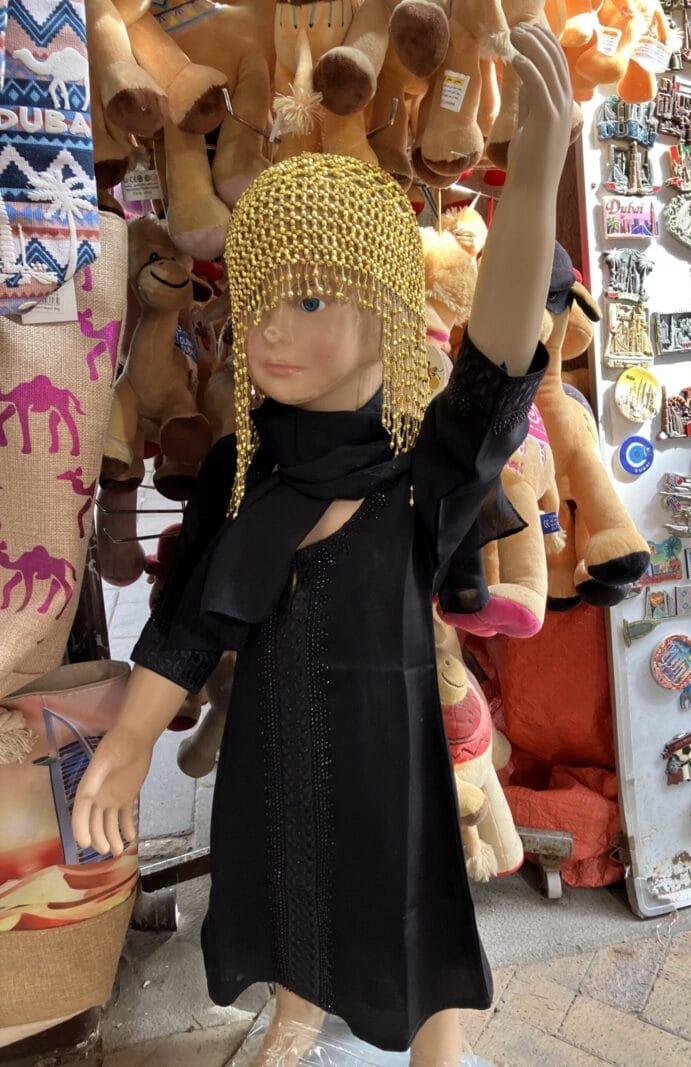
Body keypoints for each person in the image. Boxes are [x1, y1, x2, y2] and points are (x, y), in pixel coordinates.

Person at [73, 22, 573, 1067]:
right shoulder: (243, 472)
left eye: (308, 299)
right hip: (273, 743)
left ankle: (438, 1037)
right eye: (258, 298)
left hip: (392, 749)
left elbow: (493, 361)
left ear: (386, 307)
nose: (270, 330)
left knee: (407, 883)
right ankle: (297, 1008)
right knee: (288, 870)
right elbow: (189, 623)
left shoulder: (423, 470)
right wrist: (128, 740)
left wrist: (532, 182)